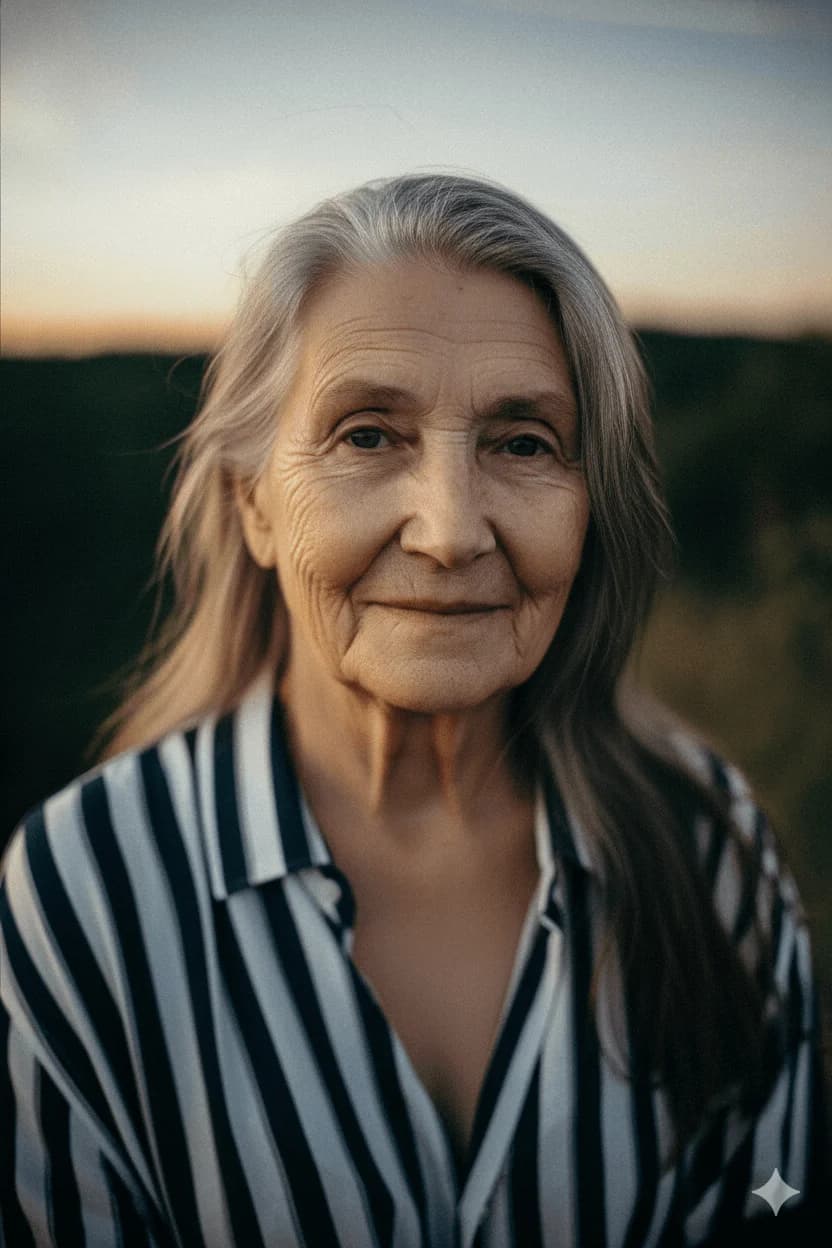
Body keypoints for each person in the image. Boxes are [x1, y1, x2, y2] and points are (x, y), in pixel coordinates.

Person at [0, 174, 825, 1247]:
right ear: (251, 500)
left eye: (522, 441)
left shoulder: (707, 849)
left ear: (591, 505)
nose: (448, 531)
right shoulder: (86, 896)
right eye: (366, 435)